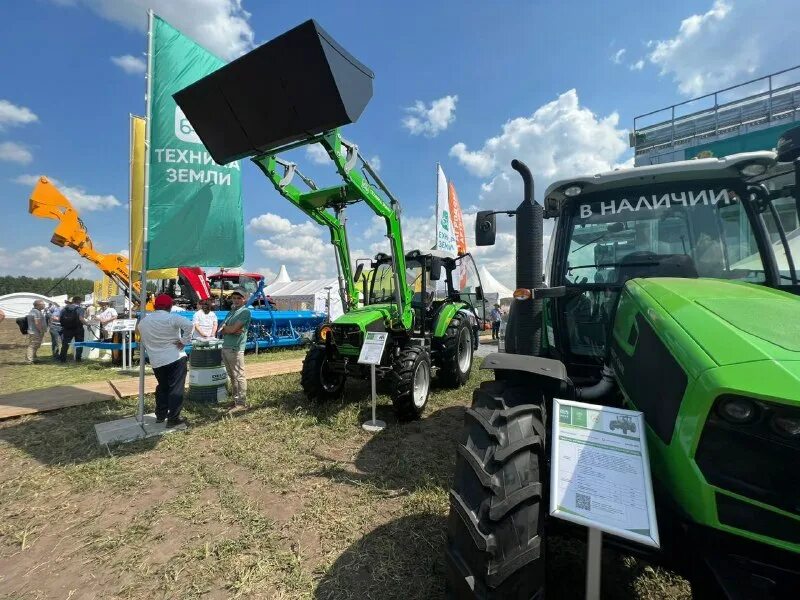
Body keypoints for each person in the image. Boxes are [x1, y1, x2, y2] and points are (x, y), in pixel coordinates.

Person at [136, 294, 192, 427]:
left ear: (155, 306)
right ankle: (173, 418)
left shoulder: (144, 322)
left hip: (156, 360)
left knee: (163, 387)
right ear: (170, 306)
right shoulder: (172, 317)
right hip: (175, 357)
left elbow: (139, 333)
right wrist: (184, 341)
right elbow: (189, 325)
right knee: (176, 388)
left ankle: (160, 415)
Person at [219, 288, 251, 412]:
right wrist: (229, 329)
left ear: (244, 299)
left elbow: (230, 330)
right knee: (232, 376)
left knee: (239, 376)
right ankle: (236, 400)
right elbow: (221, 329)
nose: (236, 300)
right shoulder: (232, 311)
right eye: (234, 298)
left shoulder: (245, 312)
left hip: (235, 348)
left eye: (239, 298)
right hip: (226, 346)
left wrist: (229, 329)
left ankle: (241, 403)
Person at [59, 296, 86, 362]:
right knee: (79, 343)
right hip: (78, 328)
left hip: (67, 328)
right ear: (79, 301)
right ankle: (78, 359)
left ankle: (62, 359)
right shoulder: (80, 309)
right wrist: (87, 324)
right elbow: (81, 318)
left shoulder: (64, 309)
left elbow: (60, 318)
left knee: (65, 344)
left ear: (73, 301)